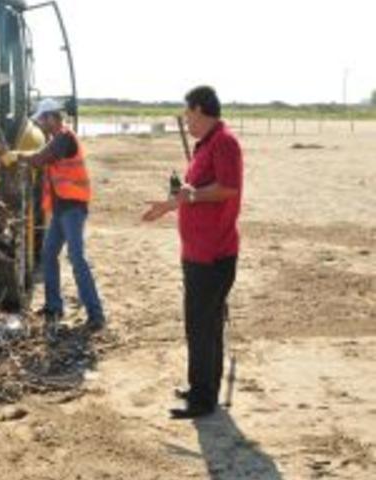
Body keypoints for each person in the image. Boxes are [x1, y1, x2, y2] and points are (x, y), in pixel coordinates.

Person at [142, 86, 244, 419]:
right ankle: (201, 387)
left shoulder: (225, 143)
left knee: (202, 326)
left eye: (188, 114)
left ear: (200, 110)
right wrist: (167, 206)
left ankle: (202, 399)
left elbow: (227, 189)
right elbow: (191, 193)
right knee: (202, 324)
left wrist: (190, 196)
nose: (186, 121)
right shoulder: (206, 145)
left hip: (213, 253)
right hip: (198, 252)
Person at [16, 98, 105, 333]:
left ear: (52, 117)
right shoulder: (56, 139)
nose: (41, 125)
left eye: (42, 120)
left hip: (73, 209)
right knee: (47, 254)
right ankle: (54, 306)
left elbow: (39, 159)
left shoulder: (64, 139)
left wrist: (15, 155)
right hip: (60, 209)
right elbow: (40, 157)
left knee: (76, 259)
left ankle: (96, 314)